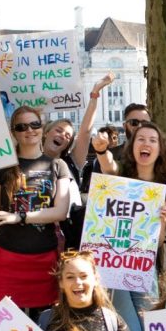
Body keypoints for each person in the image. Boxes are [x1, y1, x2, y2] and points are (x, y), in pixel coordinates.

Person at [93, 120, 166, 331]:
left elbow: (158, 240)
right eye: (141, 139)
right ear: (132, 146)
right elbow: (108, 168)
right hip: (111, 267)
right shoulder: (121, 177)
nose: (146, 144)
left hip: (145, 266)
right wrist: (102, 151)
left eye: (153, 140)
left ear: (160, 149)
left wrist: (162, 221)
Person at [0, 106, 71, 318]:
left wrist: (19, 217)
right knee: (9, 326)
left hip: (45, 258)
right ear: (14, 133)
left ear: (42, 128)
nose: (29, 130)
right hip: (8, 257)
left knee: (43, 324)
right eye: (22, 126)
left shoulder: (58, 165)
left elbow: (61, 211)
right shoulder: (1, 168)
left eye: (35, 124)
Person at [41, 73, 114, 249]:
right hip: (40, 236)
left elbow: (85, 133)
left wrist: (95, 93)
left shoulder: (70, 162)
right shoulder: (28, 160)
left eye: (67, 136)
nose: (62, 136)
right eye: (58, 130)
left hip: (72, 235)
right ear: (46, 132)